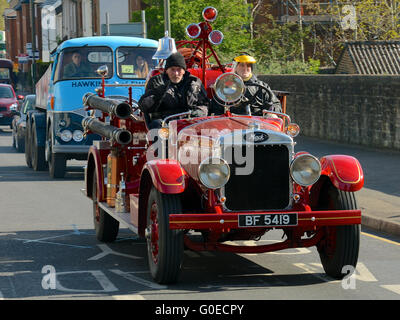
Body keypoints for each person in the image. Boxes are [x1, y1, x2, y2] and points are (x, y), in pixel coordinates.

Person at [138, 51, 209, 129]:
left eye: (179, 69)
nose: (176, 73)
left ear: (184, 70)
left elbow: (204, 105)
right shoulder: (157, 82)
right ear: (166, 70)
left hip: (189, 123)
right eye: (172, 69)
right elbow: (144, 107)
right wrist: (158, 93)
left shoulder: (194, 83)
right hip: (164, 123)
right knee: (156, 125)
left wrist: (195, 114)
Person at [210, 53, 281, 116]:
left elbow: (276, 104)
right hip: (232, 123)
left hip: (258, 124)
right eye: (242, 65)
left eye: (248, 66)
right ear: (235, 68)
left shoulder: (262, 86)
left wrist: (270, 112)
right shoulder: (226, 85)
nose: (245, 68)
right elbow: (215, 109)